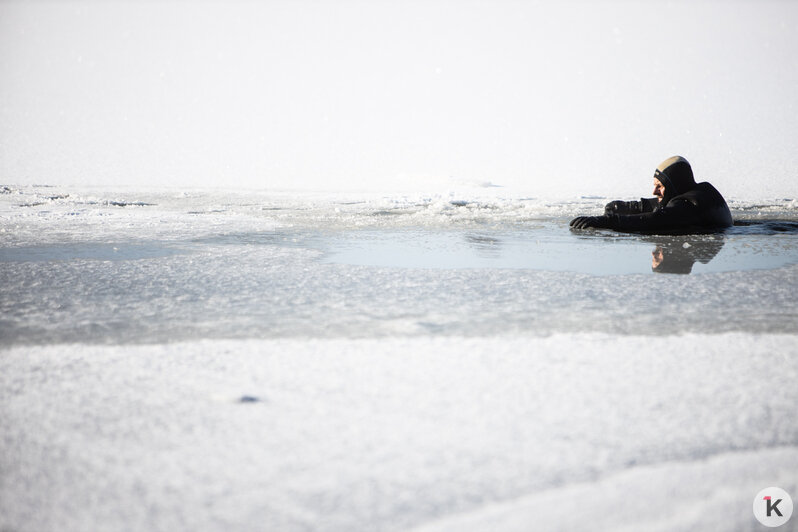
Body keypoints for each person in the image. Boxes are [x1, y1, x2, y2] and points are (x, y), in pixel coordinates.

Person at [570, 156, 733, 233]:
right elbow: (653, 205)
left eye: (660, 186)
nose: (654, 192)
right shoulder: (692, 192)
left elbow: (655, 220)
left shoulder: (688, 206)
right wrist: (618, 207)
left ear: (674, 185)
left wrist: (605, 221)